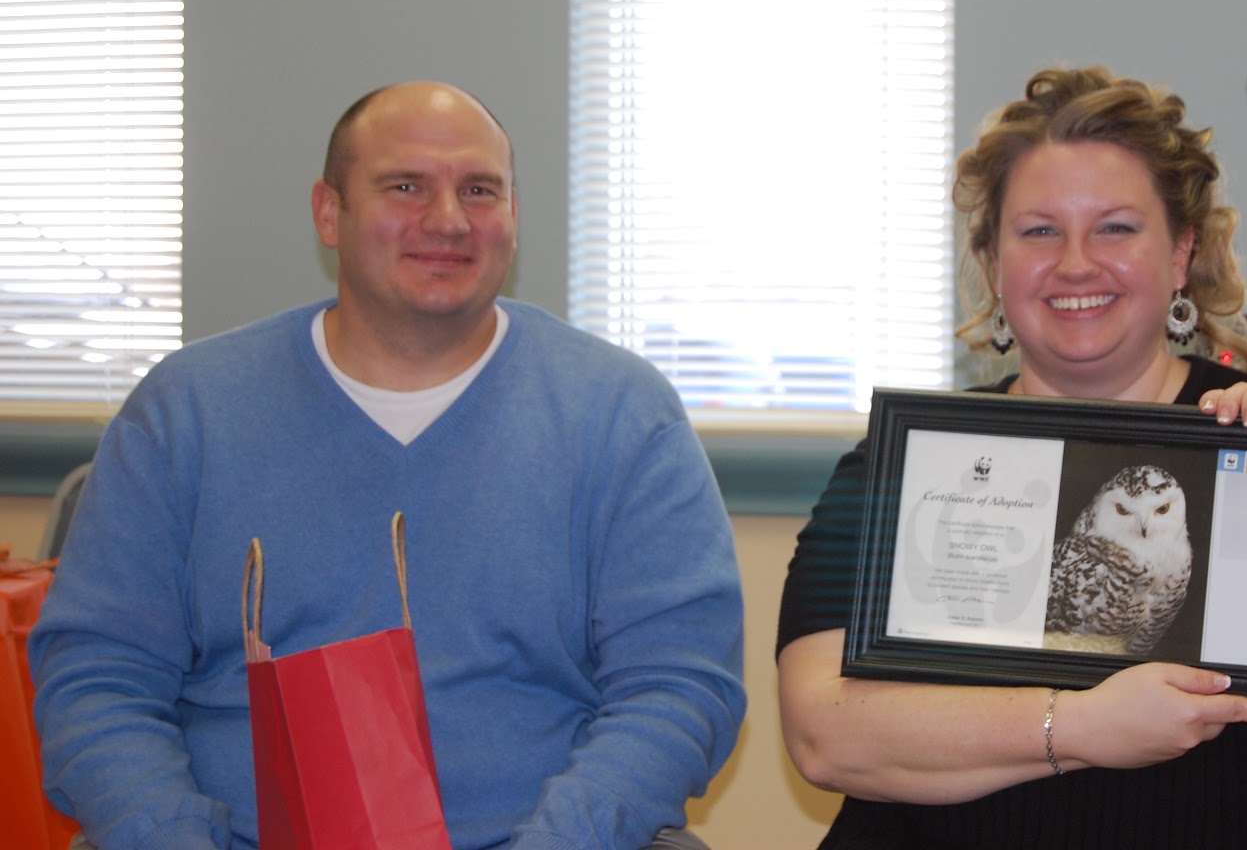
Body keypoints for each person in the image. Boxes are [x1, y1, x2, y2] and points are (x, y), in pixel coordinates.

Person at [776, 65, 1247, 848]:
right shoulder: (909, 464)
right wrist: (1078, 726)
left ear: (1182, 254)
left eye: (1116, 227)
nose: (1077, 262)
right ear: (993, 263)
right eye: (1039, 230)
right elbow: (826, 733)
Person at [29, 82, 746, 850]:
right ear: (328, 212)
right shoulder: (186, 411)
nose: (447, 219)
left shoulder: (622, 415)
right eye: (405, 186)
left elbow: (678, 688)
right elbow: (98, 681)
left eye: (480, 190)